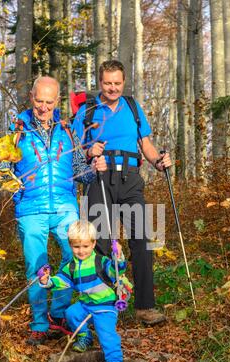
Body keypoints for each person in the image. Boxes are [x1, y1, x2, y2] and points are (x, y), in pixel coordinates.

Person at [72, 60, 172, 326]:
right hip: (98, 179)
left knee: (142, 238)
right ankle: (103, 307)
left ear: (124, 82)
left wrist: (158, 163)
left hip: (130, 179)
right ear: (100, 82)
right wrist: (88, 151)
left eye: (117, 83)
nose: (112, 88)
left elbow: (146, 145)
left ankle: (144, 307)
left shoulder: (132, 107)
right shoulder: (88, 110)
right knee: (100, 243)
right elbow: (73, 152)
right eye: (107, 83)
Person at [11, 76, 107, 346]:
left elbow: (80, 173)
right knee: (37, 266)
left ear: (57, 101)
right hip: (30, 207)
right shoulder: (17, 130)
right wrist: (12, 185)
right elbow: (3, 167)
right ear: (31, 97)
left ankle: (59, 314)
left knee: (74, 258)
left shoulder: (67, 130)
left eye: (49, 102)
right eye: (39, 101)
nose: (43, 108)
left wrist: (93, 169)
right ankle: (40, 324)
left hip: (65, 205)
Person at [39, 220, 129, 362]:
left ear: (94, 243)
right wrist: (47, 281)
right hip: (86, 304)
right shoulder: (71, 266)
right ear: (70, 245)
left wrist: (118, 257)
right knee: (71, 313)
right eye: (76, 246)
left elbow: (116, 270)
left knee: (108, 337)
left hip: (105, 307)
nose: (81, 251)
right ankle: (85, 336)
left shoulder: (100, 261)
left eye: (86, 246)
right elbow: (61, 282)